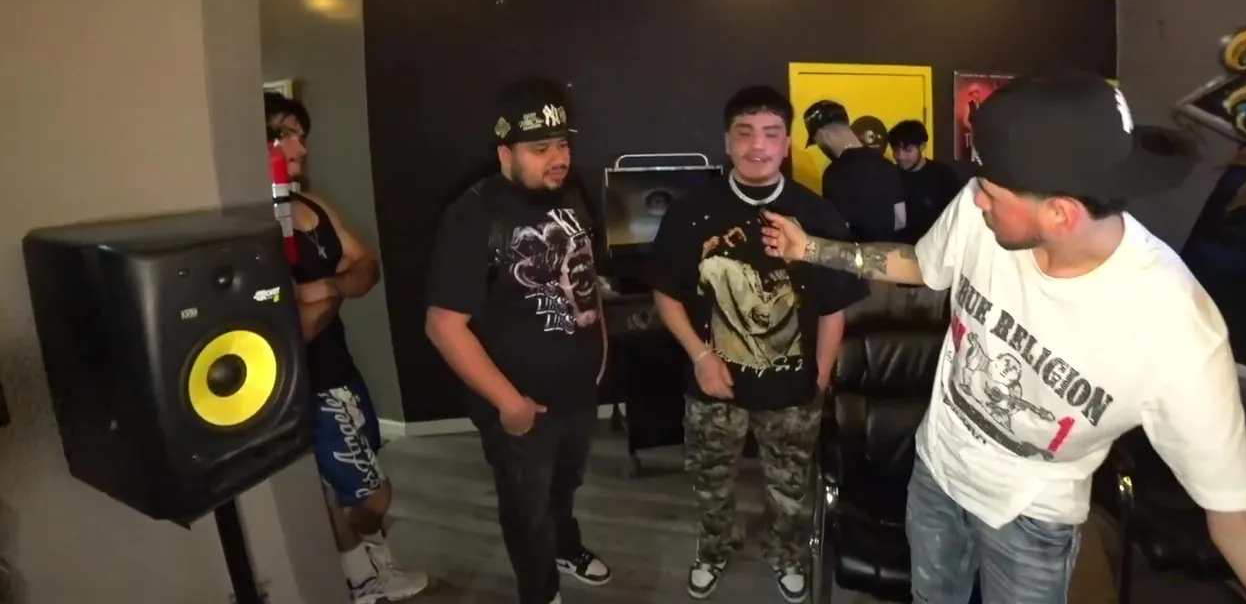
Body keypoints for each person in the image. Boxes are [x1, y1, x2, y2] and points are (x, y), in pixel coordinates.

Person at [759, 71, 1246, 603]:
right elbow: (921, 264)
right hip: (936, 472)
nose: (977, 200)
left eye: (991, 194)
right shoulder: (978, 210)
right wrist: (810, 249)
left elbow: (1242, 519)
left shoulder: (1175, 330)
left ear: (1061, 213)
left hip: (1030, 519)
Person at [648, 86, 864, 602]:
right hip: (713, 384)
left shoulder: (818, 215)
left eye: (770, 134)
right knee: (710, 483)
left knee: (790, 488)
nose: (757, 146)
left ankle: (785, 553)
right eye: (744, 133)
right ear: (727, 141)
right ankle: (713, 549)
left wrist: (820, 377)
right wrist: (700, 356)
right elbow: (665, 293)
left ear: (787, 143)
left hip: (793, 389)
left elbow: (834, 307)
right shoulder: (690, 213)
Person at [424, 78, 611, 604]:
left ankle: (566, 547)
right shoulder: (472, 215)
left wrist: (600, 352)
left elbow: (585, 278)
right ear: (505, 153)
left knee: (565, 487)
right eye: (540, 148)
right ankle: (540, 591)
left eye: (562, 144)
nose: (558, 158)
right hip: (520, 405)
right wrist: (509, 404)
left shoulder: (571, 193)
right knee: (526, 507)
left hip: (579, 391)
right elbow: (443, 325)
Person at [264, 93, 431, 604]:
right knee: (372, 493)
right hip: (310, 383)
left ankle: (364, 568)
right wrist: (339, 287)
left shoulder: (314, 205)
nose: (301, 148)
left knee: (356, 476)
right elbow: (294, 329)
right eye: (285, 135)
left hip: (342, 366)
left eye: (301, 135)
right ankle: (360, 576)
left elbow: (368, 266)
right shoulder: (257, 223)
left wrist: (327, 287)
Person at [804, 100, 906, 241]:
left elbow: (837, 230)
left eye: (817, 141)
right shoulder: (887, 165)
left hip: (856, 253)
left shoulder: (835, 173)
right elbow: (900, 221)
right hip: (891, 251)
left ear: (823, 135)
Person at [887, 118, 963, 243]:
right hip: (898, 248)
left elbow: (955, 218)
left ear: (922, 146)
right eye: (896, 150)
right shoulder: (889, 176)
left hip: (934, 247)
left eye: (908, 150)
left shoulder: (943, 175)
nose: (900, 156)